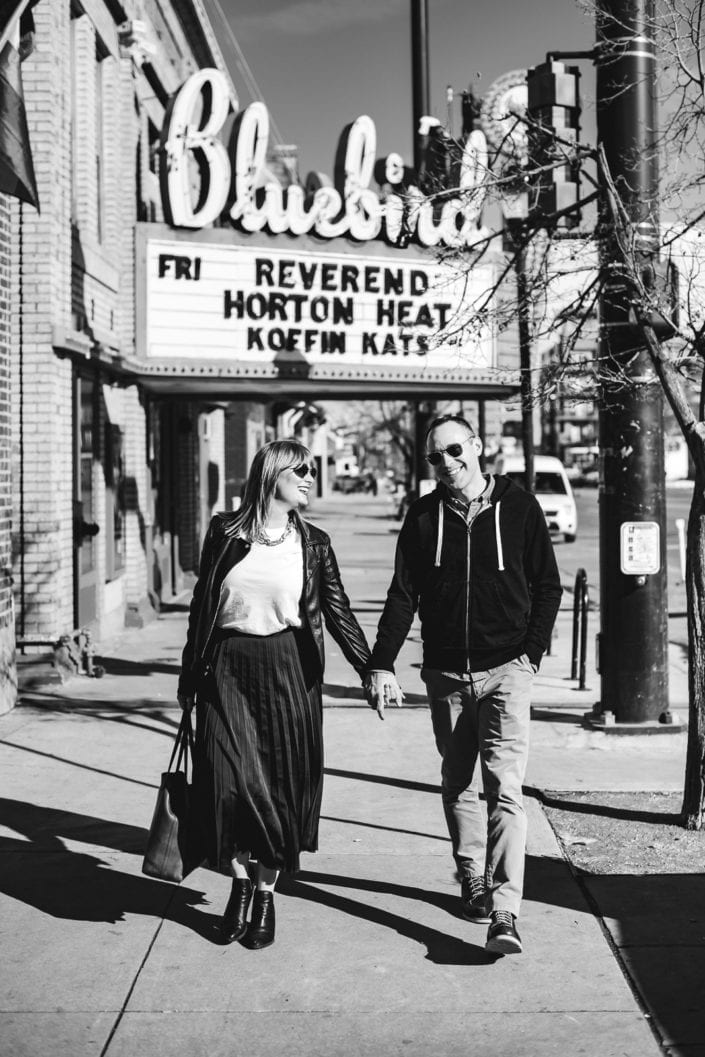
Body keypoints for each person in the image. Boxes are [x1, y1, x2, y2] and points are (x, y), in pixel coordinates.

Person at [367, 414, 562, 955]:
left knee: (506, 789)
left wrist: (530, 654)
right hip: (446, 672)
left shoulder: (519, 506)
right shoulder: (424, 515)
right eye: (436, 456)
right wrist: (382, 663)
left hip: (507, 670)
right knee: (458, 782)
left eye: (455, 450)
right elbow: (403, 593)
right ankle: (470, 873)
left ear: (477, 447)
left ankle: (505, 911)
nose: (447, 462)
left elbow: (548, 585)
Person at [177, 439, 373, 950]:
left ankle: (265, 892)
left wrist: (372, 670)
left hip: (289, 671)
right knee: (226, 784)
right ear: (272, 475)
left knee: (281, 790)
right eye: (301, 471)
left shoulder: (314, 542)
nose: (310, 478)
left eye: (313, 471)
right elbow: (202, 606)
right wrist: (187, 679)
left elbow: (338, 612)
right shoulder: (224, 532)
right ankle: (239, 882)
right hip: (226, 669)